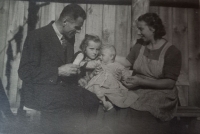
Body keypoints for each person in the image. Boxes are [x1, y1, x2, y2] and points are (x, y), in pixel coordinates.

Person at [18, 4, 99, 134]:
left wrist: (77, 76)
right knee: (76, 108)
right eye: (77, 27)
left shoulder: (69, 38)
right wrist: (58, 71)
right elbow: (25, 72)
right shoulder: (36, 36)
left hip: (62, 92)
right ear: (65, 21)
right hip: (42, 93)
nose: (78, 31)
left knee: (93, 100)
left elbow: (66, 65)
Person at [101, 13, 182, 134]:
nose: (139, 32)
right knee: (116, 102)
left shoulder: (172, 51)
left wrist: (140, 81)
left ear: (153, 29)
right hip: (138, 88)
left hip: (161, 93)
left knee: (140, 113)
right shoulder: (140, 45)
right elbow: (127, 62)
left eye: (141, 29)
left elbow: (169, 83)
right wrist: (105, 57)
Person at [85, 45, 138, 111]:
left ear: (111, 56)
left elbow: (126, 75)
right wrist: (94, 72)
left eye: (103, 55)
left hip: (110, 85)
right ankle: (104, 101)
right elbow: (90, 68)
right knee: (94, 89)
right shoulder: (100, 63)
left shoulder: (117, 66)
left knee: (114, 95)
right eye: (100, 55)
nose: (100, 57)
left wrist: (121, 77)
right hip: (99, 83)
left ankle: (108, 103)